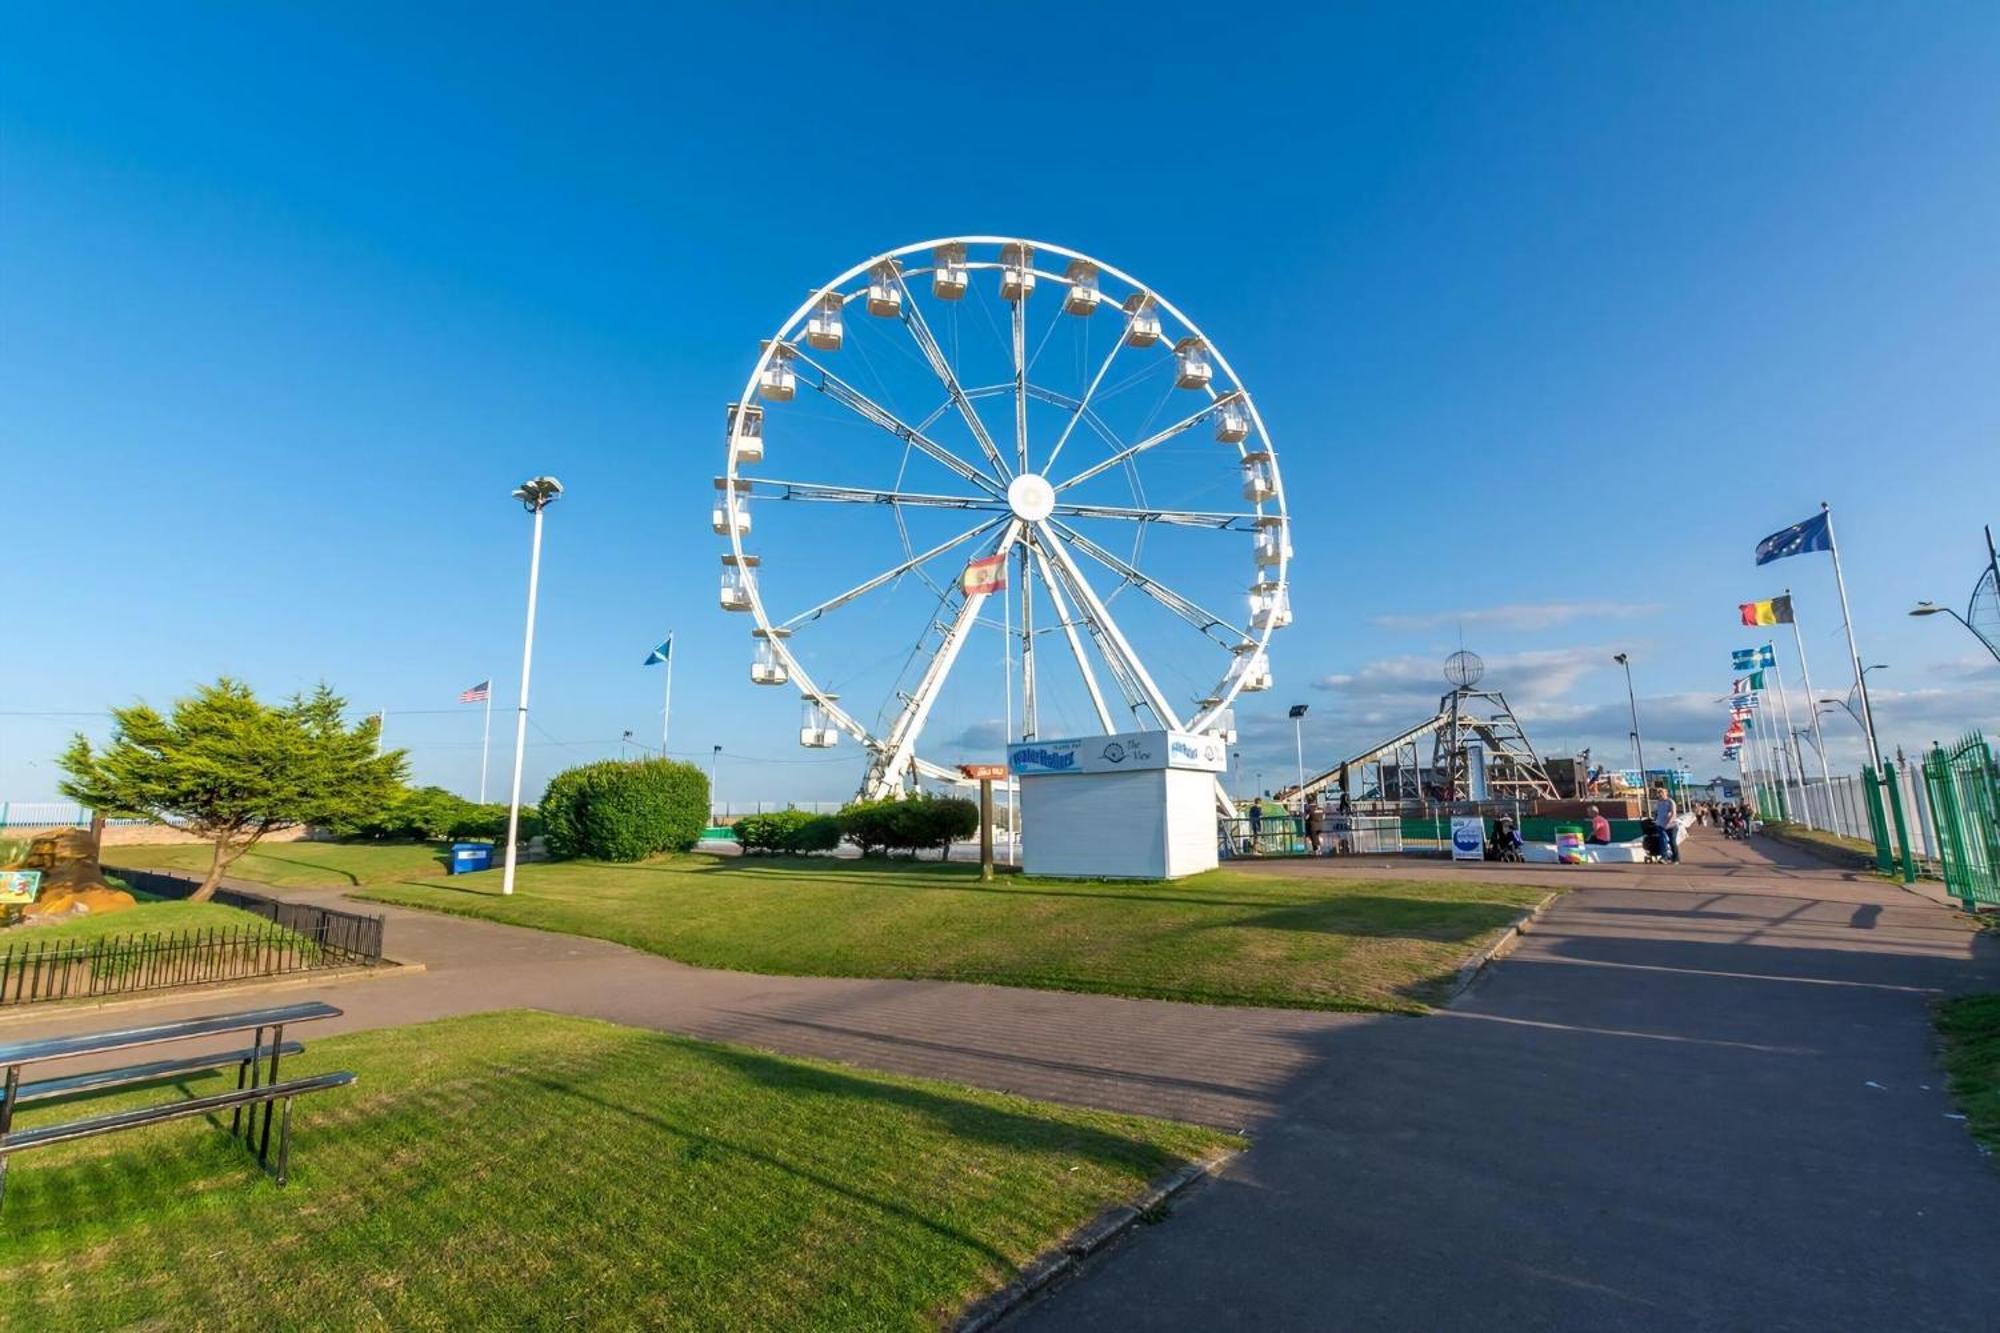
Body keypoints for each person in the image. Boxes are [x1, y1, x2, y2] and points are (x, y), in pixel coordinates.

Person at [1653, 785, 1680, 863]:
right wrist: (1656, 820)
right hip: (1660, 825)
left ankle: (1676, 859)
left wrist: (1668, 823)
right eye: (1659, 793)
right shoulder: (1658, 803)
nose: (1660, 795)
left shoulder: (1670, 802)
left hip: (1671, 826)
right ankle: (1664, 857)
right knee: (1662, 841)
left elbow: (1673, 814)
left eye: (1662, 793)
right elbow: (1657, 813)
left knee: (1672, 842)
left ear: (1666, 793)